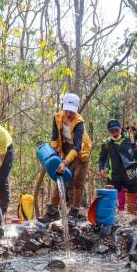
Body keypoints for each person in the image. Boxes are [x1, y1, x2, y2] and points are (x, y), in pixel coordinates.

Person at [39, 93, 93, 222]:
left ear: (76, 109)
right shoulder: (57, 117)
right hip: (66, 148)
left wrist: (65, 162)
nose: (68, 114)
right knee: (59, 176)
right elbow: (54, 138)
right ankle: (53, 210)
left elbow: (77, 146)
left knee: (77, 181)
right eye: (67, 110)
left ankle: (75, 212)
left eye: (72, 112)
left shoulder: (79, 123)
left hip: (81, 152)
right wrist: (54, 153)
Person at [98, 119, 137, 214]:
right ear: (109, 131)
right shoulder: (106, 143)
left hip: (130, 172)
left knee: (132, 194)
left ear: (120, 129)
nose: (114, 133)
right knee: (112, 196)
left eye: (116, 130)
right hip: (114, 174)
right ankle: (117, 214)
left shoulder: (129, 139)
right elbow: (102, 159)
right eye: (111, 131)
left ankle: (132, 215)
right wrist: (101, 169)